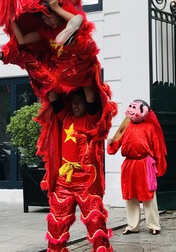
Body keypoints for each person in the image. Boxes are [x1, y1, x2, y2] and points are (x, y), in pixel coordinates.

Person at [44, 89, 112, 252]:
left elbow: (91, 94)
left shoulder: (91, 119)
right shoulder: (66, 117)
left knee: (95, 222)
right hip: (64, 180)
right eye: (73, 101)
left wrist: (85, 70)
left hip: (86, 181)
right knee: (56, 222)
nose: (75, 105)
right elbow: (52, 97)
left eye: (79, 101)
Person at [107, 100, 167, 235]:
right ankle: (132, 226)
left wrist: (159, 165)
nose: (131, 109)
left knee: (149, 196)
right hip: (129, 164)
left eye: (135, 107)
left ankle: (153, 225)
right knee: (130, 195)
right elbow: (114, 146)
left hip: (145, 165)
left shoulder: (150, 127)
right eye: (131, 106)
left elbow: (157, 148)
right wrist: (111, 142)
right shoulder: (125, 125)